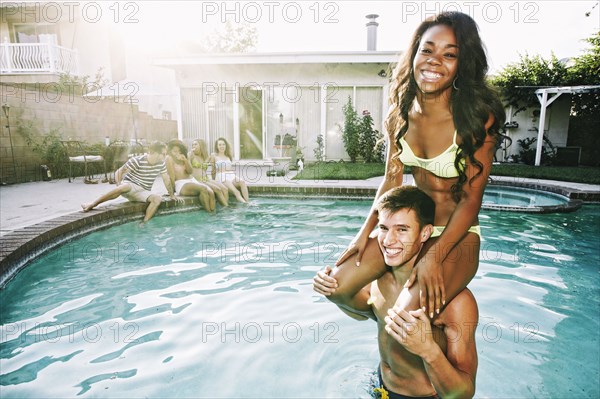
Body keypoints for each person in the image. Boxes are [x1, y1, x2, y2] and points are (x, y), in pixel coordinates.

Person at [328, 11, 505, 320]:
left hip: (456, 236)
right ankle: (385, 319)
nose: (434, 60)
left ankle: (403, 325)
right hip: (408, 230)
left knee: (405, 316)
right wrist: (363, 234)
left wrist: (434, 257)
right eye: (427, 49)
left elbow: (470, 201)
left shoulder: (476, 120)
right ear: (414, 54)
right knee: (337, 287)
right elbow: (390, 182)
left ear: (463, 65)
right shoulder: (399, 115)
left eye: (449, 54)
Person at [314, 186, 478, 398]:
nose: (388, 240)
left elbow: (464, 392)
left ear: (424, 233)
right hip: (381, 385)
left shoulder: (457, 302)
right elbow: (361, 315)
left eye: (402, 230)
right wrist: (330, 291)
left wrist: (429, 350)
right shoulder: (379, 281)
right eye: (383, 228)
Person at [82, 141, 179, 224]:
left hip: (143, 191)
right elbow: (119, 172)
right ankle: (92, 204)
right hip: (130, 186)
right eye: (163, 154)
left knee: (157, 199)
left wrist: (172, 195)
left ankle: (144, 223)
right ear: (153, 152)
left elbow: (166, 180)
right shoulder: (137, 161)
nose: (165, 156)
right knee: (123, 187)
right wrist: (119, 185)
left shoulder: (161, 164)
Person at [166, 139, 221, 212]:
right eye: (175, 151)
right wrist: (172, 193)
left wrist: (185, 160)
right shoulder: (169, 158)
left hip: (192, 180)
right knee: (203, 189)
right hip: (181, 183)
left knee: (211, 192)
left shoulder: (184, 156)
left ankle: (212, 212)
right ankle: (209, 214)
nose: (177, 153)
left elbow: (190, 171)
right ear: (170, 151)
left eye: (179, 151)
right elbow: (171, 177)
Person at [188, 139, 229, 207]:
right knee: (217, 189)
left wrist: (208, 159)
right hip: (197, 180)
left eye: (196, 144)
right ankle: (226, 208)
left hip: (205, 178)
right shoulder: (190, 155)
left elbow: (205, 169)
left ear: (201, 145)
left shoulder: (204, 156)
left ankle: (225, 206)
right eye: (193, 144)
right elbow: (189, 169)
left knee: (225, 189)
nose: (193, 146)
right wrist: (189, 157)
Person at [210, 137, 249, 203]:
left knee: (242, 182)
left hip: (231, 175)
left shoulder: (228, 156)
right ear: (217, 146)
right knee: (237, 192)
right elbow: (213, 170)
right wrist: (213, 182)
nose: (222, 146)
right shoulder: (214, 156)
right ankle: (246, 205)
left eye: (223, 144)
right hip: (222, 177)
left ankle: (248, 202)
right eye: (219, 145)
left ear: (226, 146)